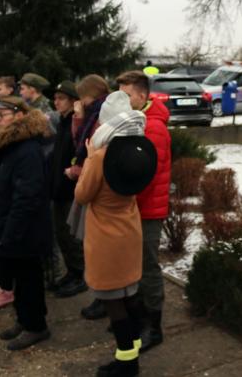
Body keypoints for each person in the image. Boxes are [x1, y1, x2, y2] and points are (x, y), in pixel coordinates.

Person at [75, 90, 154, 377]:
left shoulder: (100, 157)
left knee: (112, 300)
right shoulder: (139, 150)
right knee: (128, 293)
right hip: (129, 229)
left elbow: (82, 195)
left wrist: (89, 157)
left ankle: (127, 362)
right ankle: (134, 345)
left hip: (105, 236)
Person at [0, 96, 52, 350]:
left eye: (3, 115)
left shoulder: (27, 149)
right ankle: (24, 320)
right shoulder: (10, 146)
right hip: (9, 223)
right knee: (18, 278)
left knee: (29, 279)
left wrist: (11, 231)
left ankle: (36, 326)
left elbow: (28, 195)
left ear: (20, 116)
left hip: (25, 229)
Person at [116, 70, 172, 352]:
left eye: (126, 96)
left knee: (147, 267)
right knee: (134, 265)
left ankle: (154, 325)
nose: (123, 101)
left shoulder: (153, 128)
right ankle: (137, 317)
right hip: (133, 207)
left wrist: (125, 201)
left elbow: (147, 175)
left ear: (141, 95)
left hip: (147, 209)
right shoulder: (134, 121)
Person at [72, 74, 112, 320]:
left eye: (82, 97)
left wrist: (81, 169)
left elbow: (86, 144)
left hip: (97, 186)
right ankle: (102, 295)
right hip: (91, 177)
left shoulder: (99, 115)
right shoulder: (93, 113)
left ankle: (104, 297)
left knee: (97, 248)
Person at [50, 80, 87, 298]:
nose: (56, 102)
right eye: (55, 98)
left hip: (70, 189)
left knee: (72, 236)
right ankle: (71, 272)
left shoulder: (76, 123)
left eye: (61, 98)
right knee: (61, 234)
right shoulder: (63, 122)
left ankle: (79, 275)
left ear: (74, 101)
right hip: (58, 187)